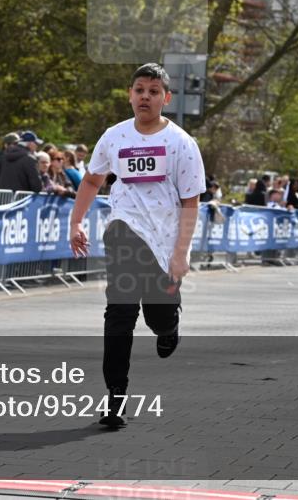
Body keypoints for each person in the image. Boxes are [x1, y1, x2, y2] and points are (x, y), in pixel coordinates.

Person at [69, 63, 205, 429]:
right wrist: (76, 221)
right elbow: (93, 180)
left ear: (166, 97)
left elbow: (191, 202)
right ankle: (115, 398)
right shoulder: (114, 136)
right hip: (123, 232)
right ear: (130, 94)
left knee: (156, 316)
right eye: (139, 90)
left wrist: (181, 254)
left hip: (163, 241)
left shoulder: (181, 144)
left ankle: (169, 322)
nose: (145, 96)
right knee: (119, 314)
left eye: (153, 91)